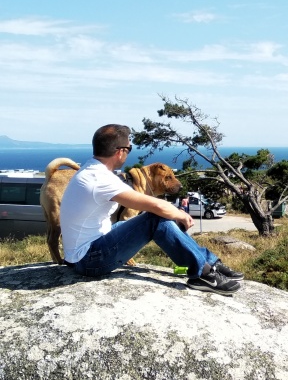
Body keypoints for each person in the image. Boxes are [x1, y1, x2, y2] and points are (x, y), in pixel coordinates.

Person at [60, 124, 243, 296]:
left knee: (153, 216)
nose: (129, 153)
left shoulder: (91, 171)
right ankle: (203, 274)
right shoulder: (99, 178)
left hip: (87, 250)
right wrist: (180, 214)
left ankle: (210, 263)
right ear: (120, 151)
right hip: (89, 260)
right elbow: (154, 205)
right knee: (154, 218)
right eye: (129, 149)